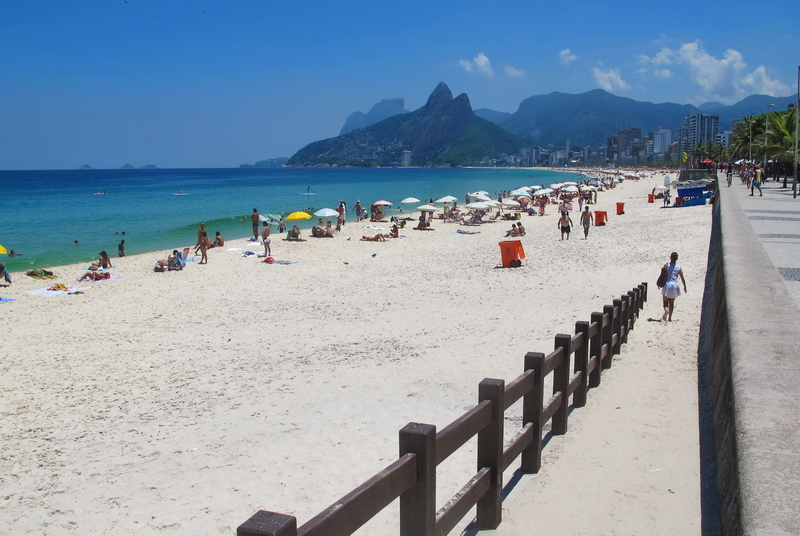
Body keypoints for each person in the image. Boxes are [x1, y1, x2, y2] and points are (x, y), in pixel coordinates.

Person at [659, 251, 687, 322]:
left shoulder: (666, 265)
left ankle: (666, 310)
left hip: (667, 285)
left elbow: (662, 275)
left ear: (670, 257)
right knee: (671, 303)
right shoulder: (678, 267)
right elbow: (682, 277)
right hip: (675, 285)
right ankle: (670, 318)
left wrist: (659, 283)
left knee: (665, 302)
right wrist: (685, 286)